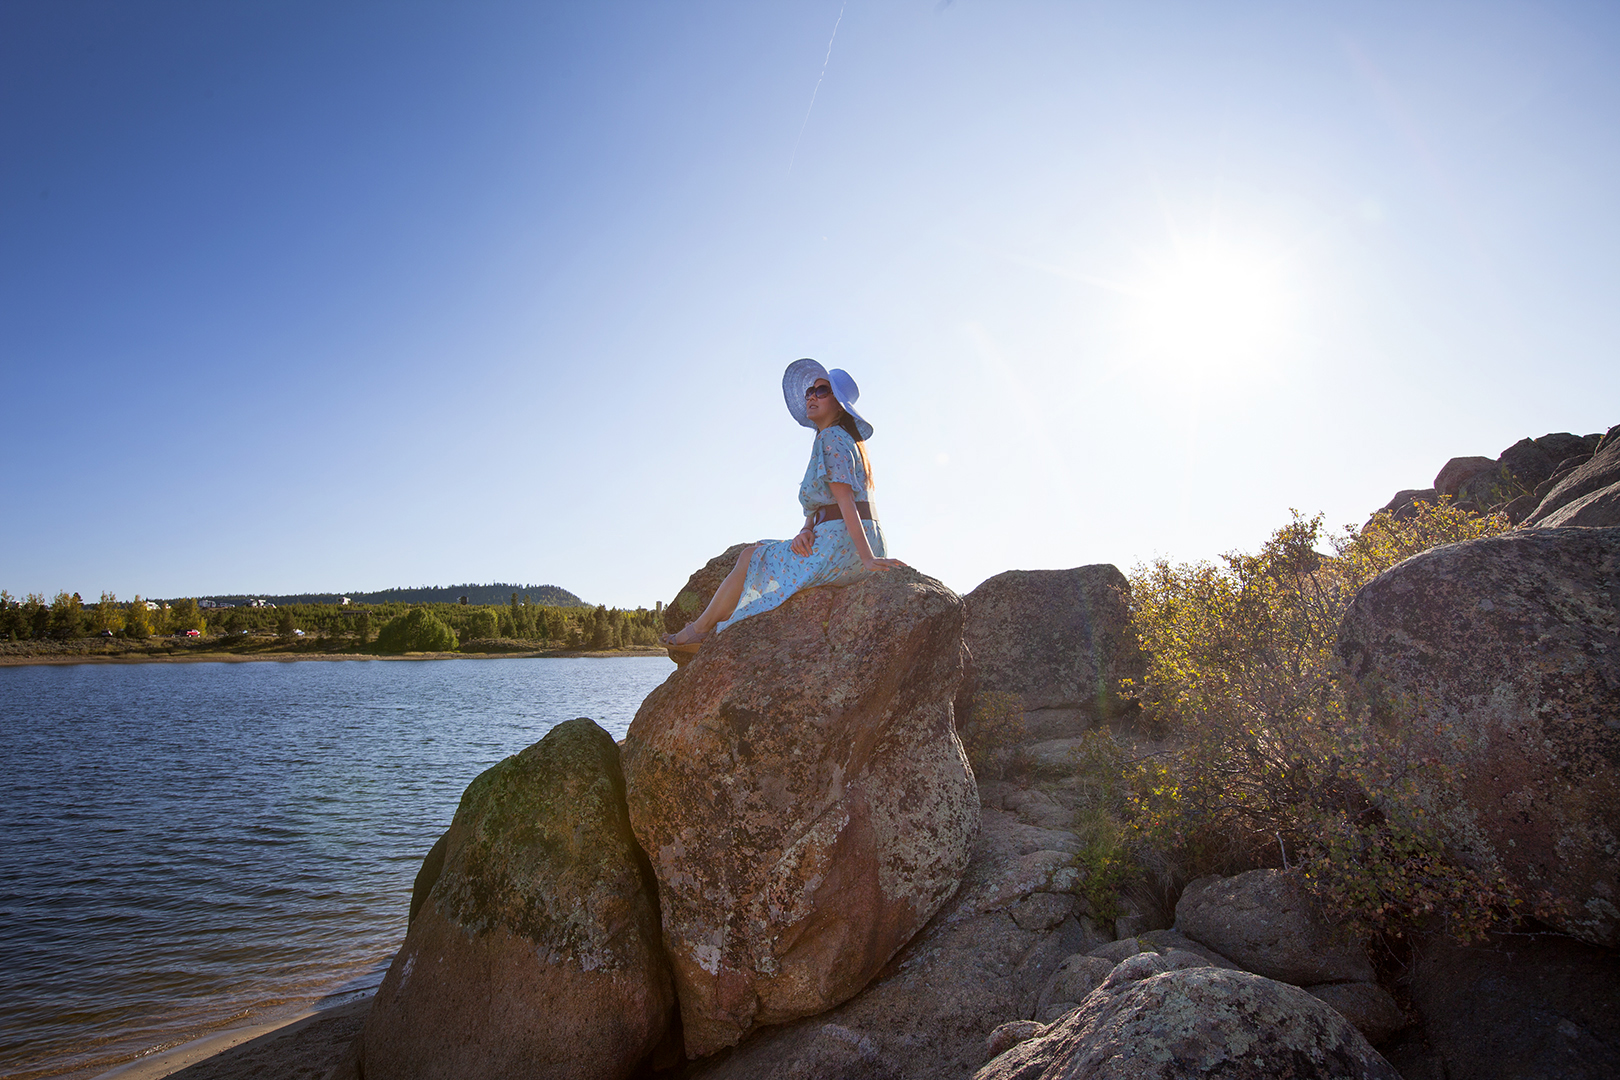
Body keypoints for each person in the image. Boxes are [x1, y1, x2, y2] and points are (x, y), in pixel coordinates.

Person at [661, 359, 906, 658]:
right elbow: (824, 503)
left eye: (821, 390)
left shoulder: (831, 438)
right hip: (859, 540)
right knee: (758, 552)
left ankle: (699, 630)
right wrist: (806, 530)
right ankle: (701, 627)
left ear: (839, 406)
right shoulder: (841, 440)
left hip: (847, 545)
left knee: (751, 555)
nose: (811, 396)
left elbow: (846, 502)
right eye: (809, 392)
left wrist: (867, 560)